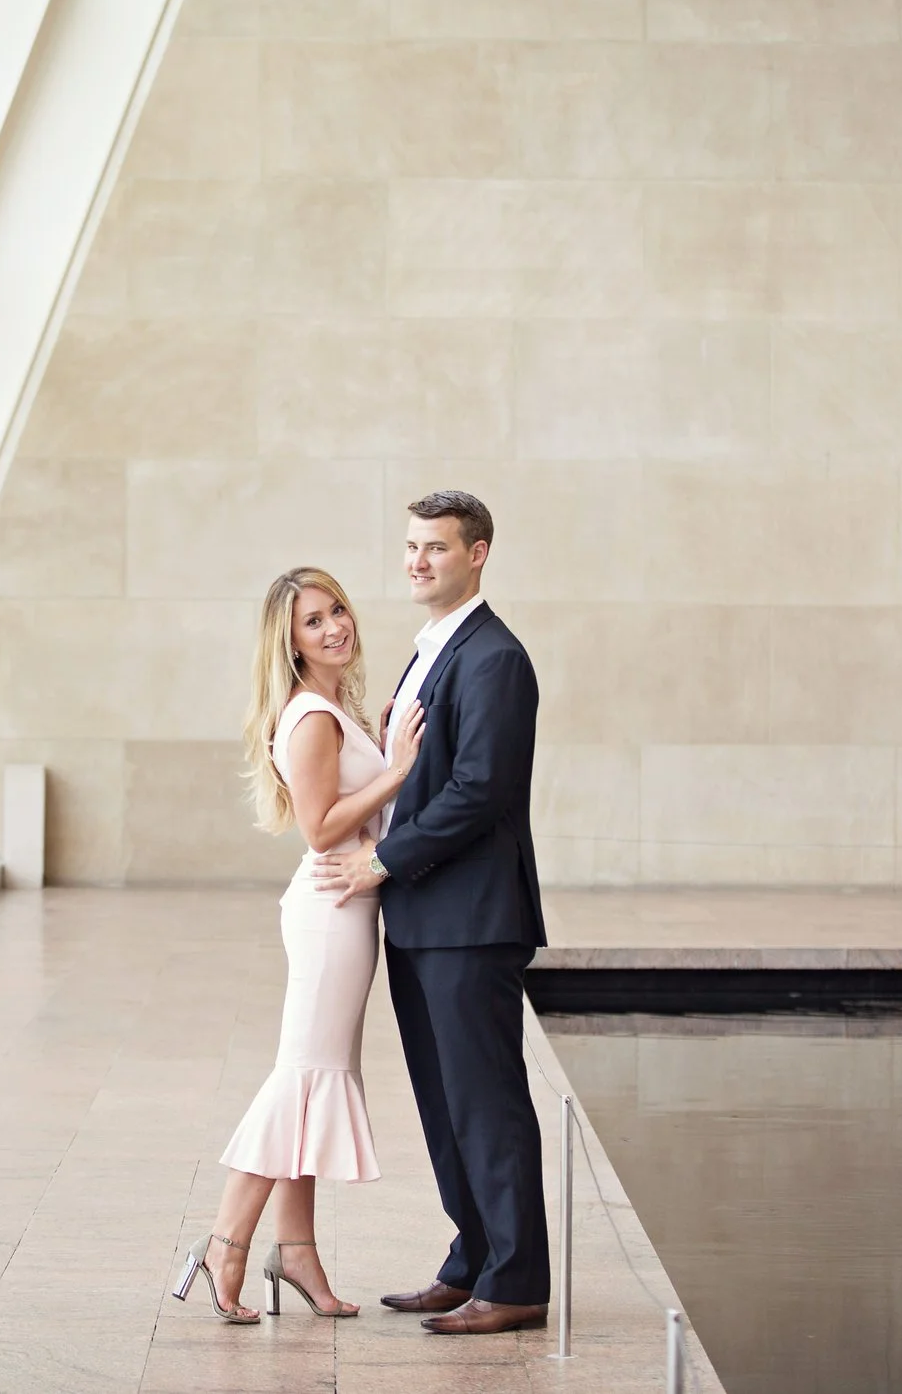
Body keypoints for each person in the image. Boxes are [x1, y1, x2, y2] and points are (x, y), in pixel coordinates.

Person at [314, 490, 550, 1335]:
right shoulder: (430, 651)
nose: (417, 560)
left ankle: (516, 1280)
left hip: (471, 919)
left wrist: (379, 860)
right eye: (411, 546)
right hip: (422, 917)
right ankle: (473, 1259)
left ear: (478, 553)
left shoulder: (495, 659)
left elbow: (479, 790)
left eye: (436, 548)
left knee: (486, 1101)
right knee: (445, 1103)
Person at [171, 567, 423, 1323]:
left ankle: (298, 1249)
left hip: (343, 907)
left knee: (314, 1079)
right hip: (329, 911)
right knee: (300, 1078)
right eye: (312, 621)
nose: (334, 626)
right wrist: (400, 767)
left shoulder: (329, 710)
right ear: (290, 642)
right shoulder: (311, 715)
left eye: (337, 609)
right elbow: (320, 826)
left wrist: (377, 747)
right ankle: (225, 1241)